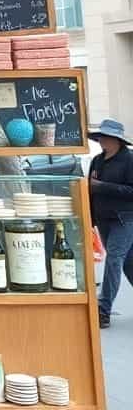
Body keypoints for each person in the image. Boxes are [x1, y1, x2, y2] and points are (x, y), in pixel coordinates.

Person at [90, 118, 133, 328]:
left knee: (114, 260)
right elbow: (89, 189)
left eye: (106, 137)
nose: (101, 140)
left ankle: (103, 309)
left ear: (117, 140)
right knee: (128, 264)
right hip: (104, 219)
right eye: (100, 137)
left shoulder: (129, 160)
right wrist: (90, 218)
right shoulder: (97, 160)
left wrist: (102, 186)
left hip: (125, 218)